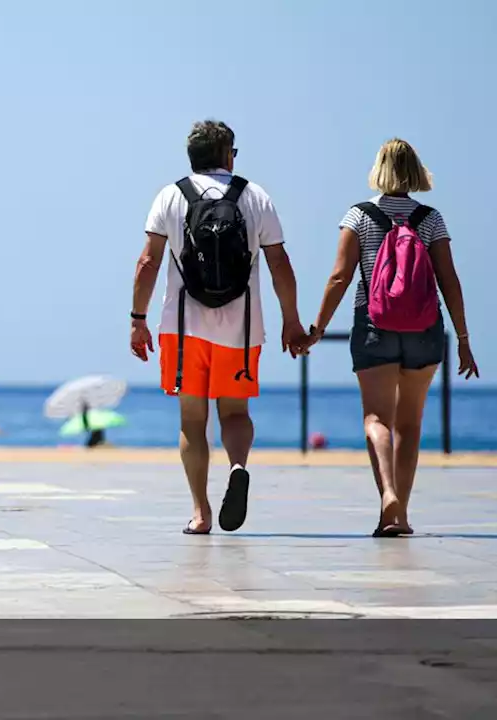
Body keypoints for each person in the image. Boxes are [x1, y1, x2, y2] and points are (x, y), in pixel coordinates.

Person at [130, 120, 308, 535]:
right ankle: (239, 466)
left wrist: (138, 321)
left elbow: (147, 263)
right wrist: (292, 321)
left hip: (182, 327)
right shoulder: (254, 196)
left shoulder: (171, 196)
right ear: (228, 154)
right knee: (235, 412)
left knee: (193, 420)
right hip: (242, 328)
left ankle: (200, 512)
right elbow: (280, 263)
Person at [303, 138, 478, 537]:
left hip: (374, 325)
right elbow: (449, 280)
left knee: (376, 418)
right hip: (424, 329)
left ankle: (387, 496)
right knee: (410, 424)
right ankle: (400, 514)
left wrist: (317, 330)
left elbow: (339, 277)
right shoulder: (431, 219)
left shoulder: (359, 215)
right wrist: (464, 338)